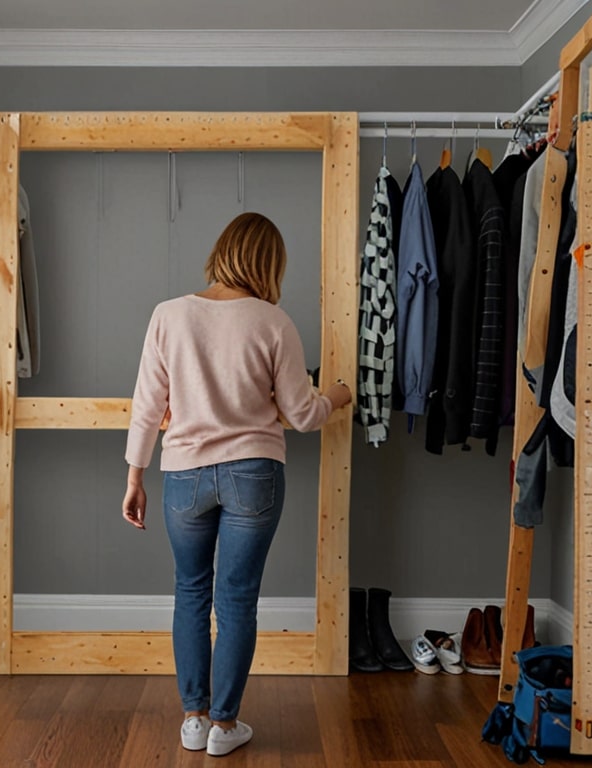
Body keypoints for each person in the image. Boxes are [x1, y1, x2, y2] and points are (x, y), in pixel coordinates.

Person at [122, 212, 352, 757]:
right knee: (238, 600)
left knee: (190, 592)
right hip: (254, 472)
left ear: (222, 251)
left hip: (183, 474)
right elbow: (301, 413)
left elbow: (147, 406)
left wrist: (134, 475)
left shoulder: (169, 315)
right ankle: (225, 727)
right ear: (269, 264)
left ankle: (194, 720)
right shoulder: (274, 322)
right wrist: (338, 393)